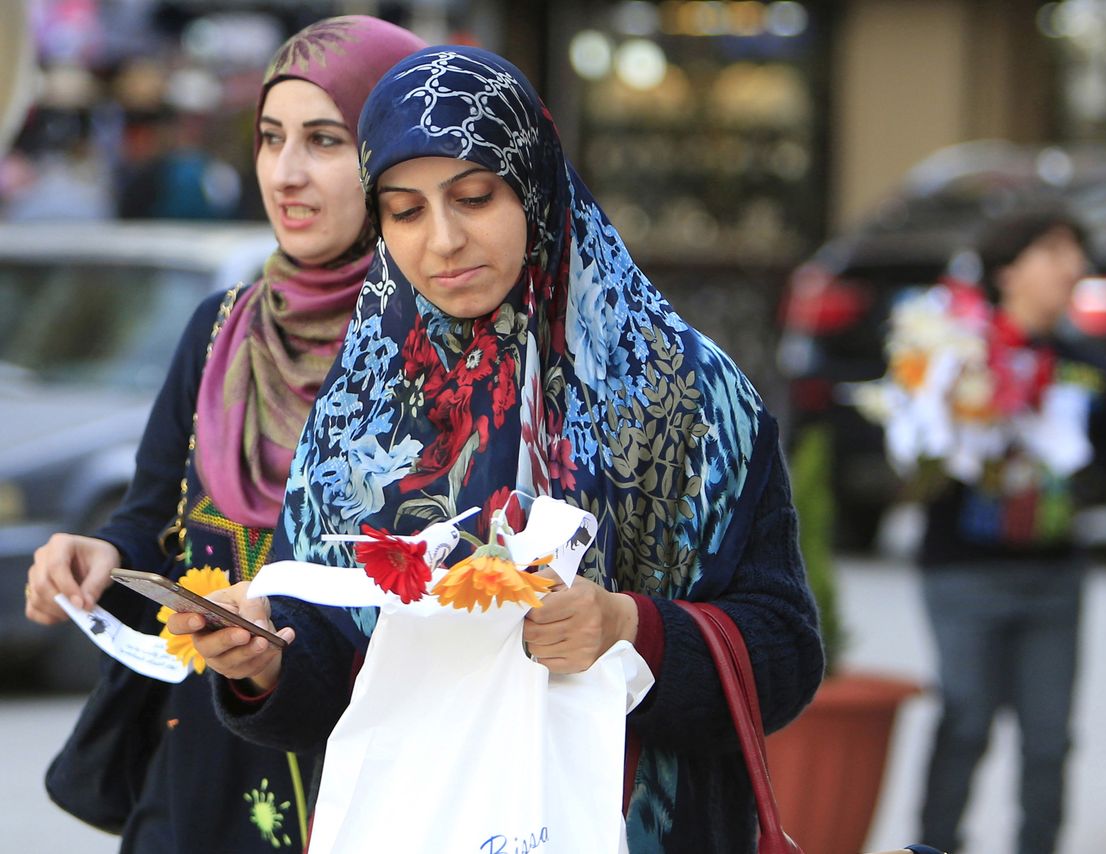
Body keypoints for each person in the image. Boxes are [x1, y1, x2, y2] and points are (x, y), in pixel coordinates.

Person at [166, 45, 834, 853]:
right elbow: (341, 678)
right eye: (405, 212)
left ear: (536, 189)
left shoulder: (683, 393)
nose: (442, 241)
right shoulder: (364, 404)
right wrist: (261, 662)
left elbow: (784, 658)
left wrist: (630, 627)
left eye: (475, 197)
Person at [23, 16, 427, 852]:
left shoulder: (441, 352)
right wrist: (101, 559)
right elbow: (150, 519)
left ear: (390, 157)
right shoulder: (222, 330)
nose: (286, 173)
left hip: (363, 770)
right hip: (203, 758)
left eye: (324, 141)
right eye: (271, 138)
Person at [912, 209, 1106, 854]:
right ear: (1009, 269)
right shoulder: (954, 354)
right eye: (1053, 251)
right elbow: (907, 457)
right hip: (963, 571)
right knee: (966, 722)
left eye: (1076, 253)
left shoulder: (1087, 363)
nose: (1072, 267)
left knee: (1049, 741)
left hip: (1055, 575)